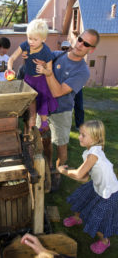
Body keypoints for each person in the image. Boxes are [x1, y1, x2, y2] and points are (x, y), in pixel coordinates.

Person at [35, 29, 100, 189]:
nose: (80, 45)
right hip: (43, 109)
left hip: (61, 113)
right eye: (80, 39)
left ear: (91, 50)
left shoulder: (82, 71)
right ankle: (49, 166)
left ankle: (58, 174)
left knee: (61, 145)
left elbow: (57, 92)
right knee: (44, 141)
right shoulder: (58, 55)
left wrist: (48, 73)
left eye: (86, 44)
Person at [57, 120, 118, 254]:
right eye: (80, 133)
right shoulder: (91, 151)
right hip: (97, 185)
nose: (79, 137)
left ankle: (104, 241)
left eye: (83, 135)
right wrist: (75, 174)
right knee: (81, 199)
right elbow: (84, 176)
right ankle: (78, 218)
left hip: (108, 193)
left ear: (95, 138)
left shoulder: (93, 155)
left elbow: (79, 175)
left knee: (98, 219)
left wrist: (63, 171)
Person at [7, 19, 58, 133]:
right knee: (30, 101)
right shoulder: (25, 45)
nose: (31, 42)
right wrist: (10, 69)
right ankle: (30, 122)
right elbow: (12, 58)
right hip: (28, 79)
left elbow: (50, 71)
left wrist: (44, 71)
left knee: (42, 100)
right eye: (29, 38)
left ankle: (44, 123)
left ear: (43, 39)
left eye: (35, 39)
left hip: (40, 80)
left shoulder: (46, 51)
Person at [60, 41, 85, 130]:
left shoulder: (78, 58)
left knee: (79, 106)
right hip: (65, 87)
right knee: (65, 107)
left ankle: (79, 125)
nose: (65, 50)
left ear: (71, 48)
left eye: (67, 48)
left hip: (76, 87)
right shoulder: (59, 59)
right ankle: (64, 125)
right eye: (64, 48)